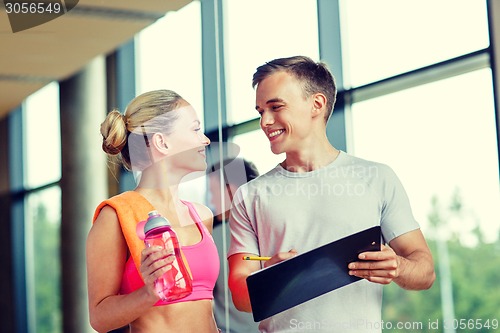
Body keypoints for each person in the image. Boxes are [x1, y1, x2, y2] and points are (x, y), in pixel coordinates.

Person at [227, 56, 436, 332]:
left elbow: (425, 271)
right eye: (260, 111)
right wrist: (270, 278)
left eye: (275, 107)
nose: (265, 121)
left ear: (317, 104)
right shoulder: (250, 195)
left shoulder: (376, 178)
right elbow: (240, 297)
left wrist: (396, 265)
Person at [86, 89, 220, 333]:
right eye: (195, 129)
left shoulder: (201, 216)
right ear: (162, 142)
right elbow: (99, 317)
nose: (205, 139)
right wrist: (149, 292)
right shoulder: (115, 216)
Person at [208, 158, 260, 333]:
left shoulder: (213, 237)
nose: (212, 202)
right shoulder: (272, 228)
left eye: (213, 193)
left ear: (230, 192)